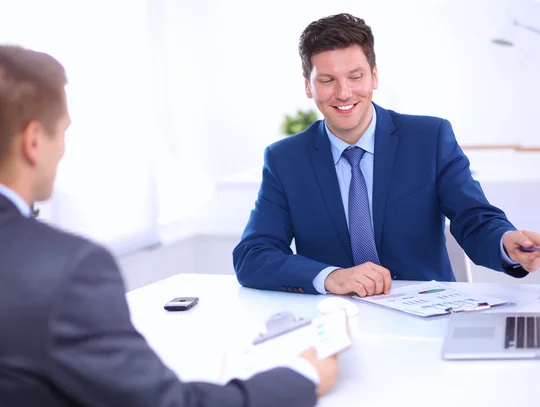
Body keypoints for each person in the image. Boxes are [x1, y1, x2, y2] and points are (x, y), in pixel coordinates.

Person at [0, 44, 338, 407]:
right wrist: (303, 375)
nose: (63, 149)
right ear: (34, 141)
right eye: (62, 132)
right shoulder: (67, 270)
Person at [233, 13, 540, 298]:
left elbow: (474, 219)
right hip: (336, 322)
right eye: (327, 80)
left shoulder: (430, 138)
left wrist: (506, 243)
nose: (344, 93)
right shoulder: (285, 159)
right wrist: (332, 277)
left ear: (374, 76)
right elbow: (253, 255)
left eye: (355, 77)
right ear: (308, 86)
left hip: (430, 316)